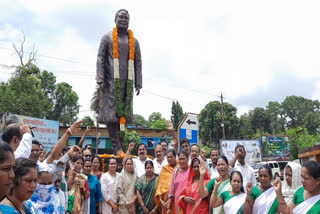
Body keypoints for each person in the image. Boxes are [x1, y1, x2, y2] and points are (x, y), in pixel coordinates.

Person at [96, 9, 142, 156]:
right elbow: (100, 58)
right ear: (115, 19)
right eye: (120, 17)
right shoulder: (107, 38)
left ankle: (120, 147)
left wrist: (138, 83)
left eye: (126, 18)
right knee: (111, 117)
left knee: (124, 116)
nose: (123, 20)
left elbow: (138, 62)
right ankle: (116, 148)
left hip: (126, 85)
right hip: (110, 83)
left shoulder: (134, 41)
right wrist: (100, 78)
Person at [155, 149, 178, 214]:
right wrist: (160, 200)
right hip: (164, 202)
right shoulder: (164, 169)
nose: (169, 159)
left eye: (171, 157)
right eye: (168, 157)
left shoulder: (180, 168)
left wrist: (171, 198)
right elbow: (160, 186)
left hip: (176, 200)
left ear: (175, 157)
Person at [167, 150, 189, 214]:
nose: (181, 161)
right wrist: (169, 205)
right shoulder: (176, 171)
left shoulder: (191, 171)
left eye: (183, 159)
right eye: (180, 159)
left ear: (187, 159)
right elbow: (172, 188)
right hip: (177, 201)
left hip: (188, 201)